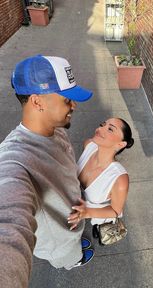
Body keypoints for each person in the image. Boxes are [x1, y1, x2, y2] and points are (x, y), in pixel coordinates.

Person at [0, 55, 94, 288]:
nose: (74, 105)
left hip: (73, 219)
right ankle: (74, 261)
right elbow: (9, 224)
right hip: (58, 243)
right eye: (66, 99)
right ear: (37, 101)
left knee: (74, 242)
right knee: (68, 257)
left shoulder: (55, 127)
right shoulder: (15, 160)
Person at [67, 118, 134, 239]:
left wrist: (87, 213)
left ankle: (97, 228)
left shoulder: (119, 179)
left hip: (96, 212)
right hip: (75, 204)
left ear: (120, 144)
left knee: (98, 228)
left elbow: (115, 211)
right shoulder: (89, 145)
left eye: (110, 129)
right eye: (102, 125)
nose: (99, 129)